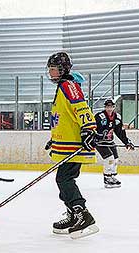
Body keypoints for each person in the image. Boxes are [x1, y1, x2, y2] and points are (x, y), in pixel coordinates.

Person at [45, 52, 99, 238]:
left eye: (53, 69)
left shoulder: (69, 85)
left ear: (63, 69)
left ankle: (82, 214)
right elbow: (64, 117)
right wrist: (55, 137)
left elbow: (81, 107)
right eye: (49, 69)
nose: (50, 73)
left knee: (64, 179)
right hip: (65, 144)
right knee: (64, 179)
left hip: (75, 145)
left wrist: (88, 129)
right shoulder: (62, 86)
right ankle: (73, 213)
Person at [95, 99, 135, 188]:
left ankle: (112, 176)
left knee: (115, 159)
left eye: (111, 107)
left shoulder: (117, 117)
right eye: (107, 107)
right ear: (105, 107)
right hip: (100, 142)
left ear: (114, 107)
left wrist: (127, 142)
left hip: (109, 141)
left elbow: (120, 132)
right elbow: (93, 128)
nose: (109, 109)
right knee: (109, 158)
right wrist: (96, 136)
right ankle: (107, 178)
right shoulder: (99, 116)